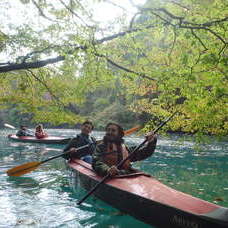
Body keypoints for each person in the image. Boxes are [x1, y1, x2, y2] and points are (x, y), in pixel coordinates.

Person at [92, 122, 157, 177]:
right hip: (109, 176)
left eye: (113, 130)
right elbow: (96, 162)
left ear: (119, 134)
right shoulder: (101, 146)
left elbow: (144, 153)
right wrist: (107, 170)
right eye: (108, 130)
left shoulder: (124, 148)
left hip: (125, 175)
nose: (110, 132)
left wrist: (152, 141)